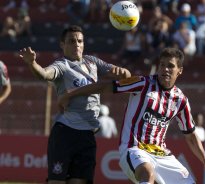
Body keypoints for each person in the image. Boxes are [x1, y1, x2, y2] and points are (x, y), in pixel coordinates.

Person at [58, 47, 205, 184]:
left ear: (179, 71)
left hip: (162, 154)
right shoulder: (142, 83)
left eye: (170, 66)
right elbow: (105, 86)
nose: (165, 69)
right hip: (133, 149)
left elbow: (191, 136)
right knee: (147, 174)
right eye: (162, 65)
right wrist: (71, 94)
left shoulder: (181, 100)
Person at [19, 25, 131, 184]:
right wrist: (32, 63)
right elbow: (44, 74)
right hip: (66, 132)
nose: (77, 44)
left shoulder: (92, 61)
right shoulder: (62, 65)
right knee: (56, 182)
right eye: (71, 41)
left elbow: (124, 75)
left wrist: (124, 72)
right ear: (62, 45)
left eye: (80, 41)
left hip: (87, 134)